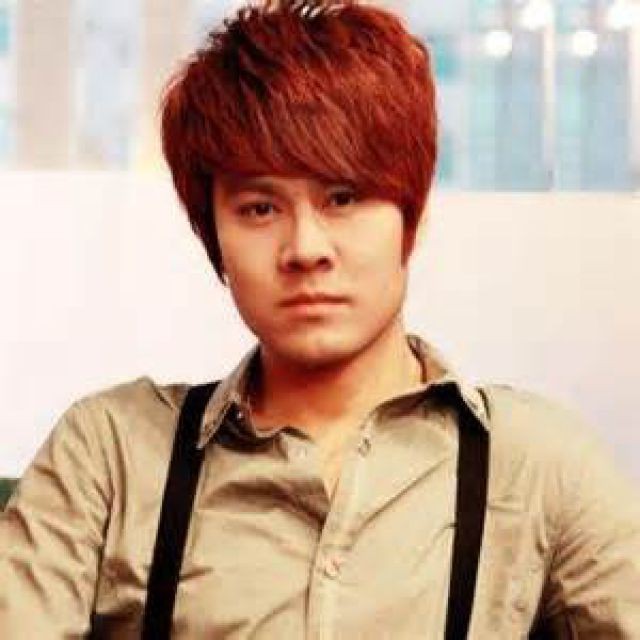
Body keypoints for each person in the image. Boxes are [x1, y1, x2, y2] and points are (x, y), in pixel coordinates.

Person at [1, 0, 639, 637]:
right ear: (213, 237)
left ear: (411, 217)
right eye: (259, 208)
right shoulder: (111, 454)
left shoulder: (536, 464)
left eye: (343, 197)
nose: (306, 249)